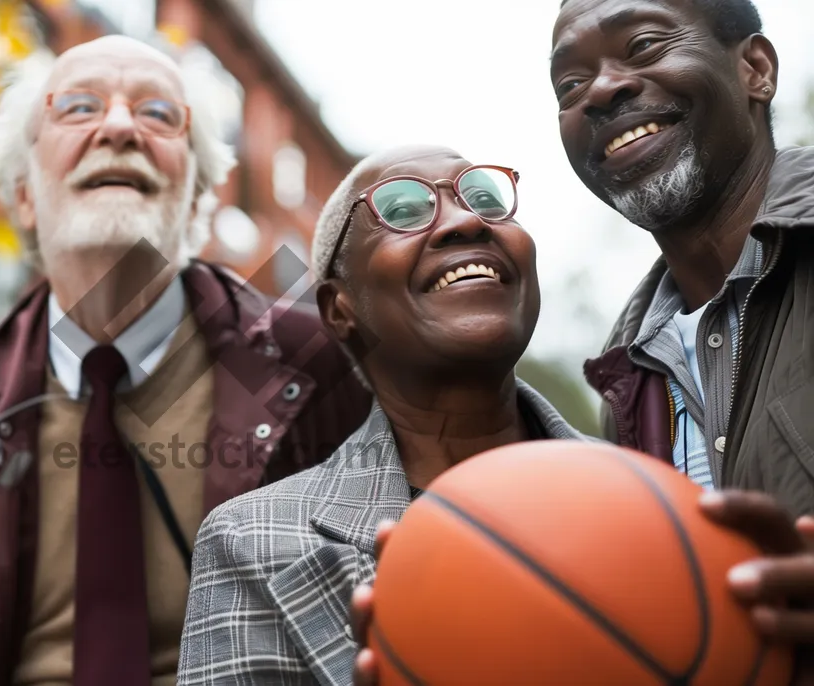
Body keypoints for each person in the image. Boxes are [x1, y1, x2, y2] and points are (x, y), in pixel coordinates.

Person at [0, 35, 372, 686]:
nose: (121, 126)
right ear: (22, 194)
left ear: (197, 194)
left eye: (158, 113)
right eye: (78, 107)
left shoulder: (317, 366)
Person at [175, 144, 588, 684]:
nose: (466, 221)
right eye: (401, 210)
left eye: (485, 199)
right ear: (339, 309)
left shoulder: (649, 494)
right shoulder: (248, 543)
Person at [549, 0, 814, 676]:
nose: (603, 89)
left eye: (642, 44)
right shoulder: (627, 377)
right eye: (569, 87)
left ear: (755, 68)